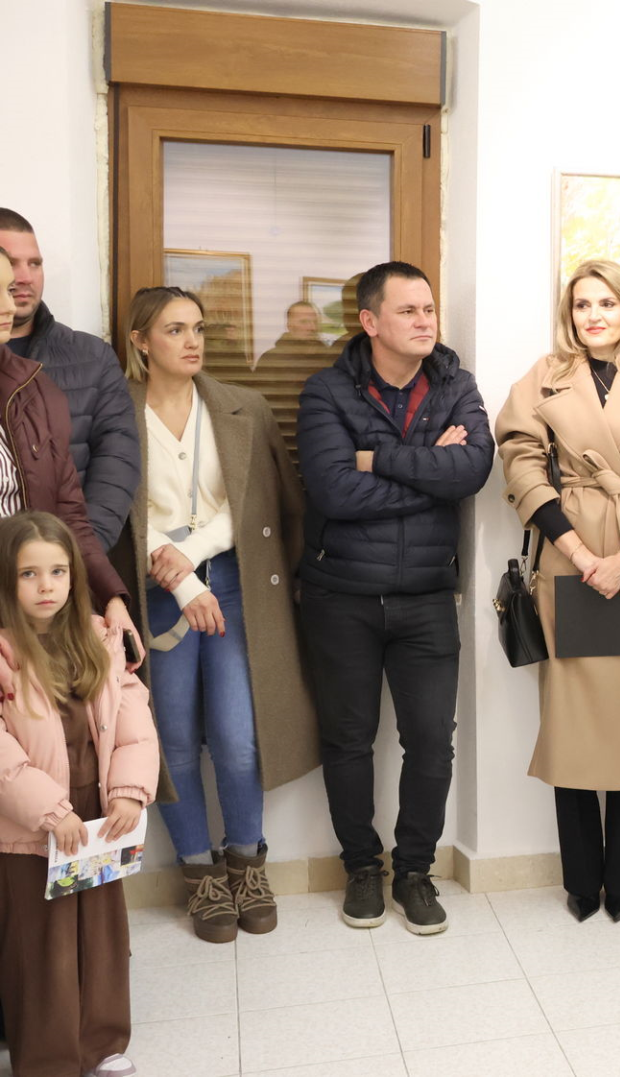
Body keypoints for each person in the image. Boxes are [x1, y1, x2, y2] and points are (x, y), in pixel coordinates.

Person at [496, 260, 620, 923]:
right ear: (570, 314)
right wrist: (582, 555)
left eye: (606, 303)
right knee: (574, 720)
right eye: (582, 304)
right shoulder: (543, 379)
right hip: (569, 557)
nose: (593, 316)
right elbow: (521, 463)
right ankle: (582, 880)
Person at [296, 260, 492, 935]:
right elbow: (332, 490)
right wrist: (429, 469)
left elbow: (472, 469)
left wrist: (376, 458)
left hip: (428, 596)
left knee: (432, 743)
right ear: (370, 321)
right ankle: (361, 867)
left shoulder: (456, 385)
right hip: (341, 595)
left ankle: (414, 871)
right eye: (408, 310)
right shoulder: (327, 390)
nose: (424, 321)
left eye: (428, 308)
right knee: (348, 741)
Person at [122, 286, 316, 944]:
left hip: (233, 581)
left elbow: (256, 502)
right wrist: (177, 576)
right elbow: (117, 510)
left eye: (198, 328)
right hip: (152, 587)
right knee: (172, 739)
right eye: (174, 329)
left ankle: (246, 864)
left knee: (237, 737)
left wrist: (193, 555)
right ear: (141, 340)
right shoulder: (116, 410)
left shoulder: (243, 405)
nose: (192, 341)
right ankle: (200, 874)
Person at [0, 511, 159, 1077]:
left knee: (102, 934)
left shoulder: (99, 639)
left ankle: (102, 1045)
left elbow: (134, 722)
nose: (46, 586)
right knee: (43, 946)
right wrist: (49, 811)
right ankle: (48, 1061)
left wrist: (129, 793)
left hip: (97, 820)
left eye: (58, 572)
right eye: (29, 574)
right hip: (32, 828)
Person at [0, 252, 137, 643]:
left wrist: (111, 597)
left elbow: (69, 514)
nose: (9, 305)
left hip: (35, 620)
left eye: (8, 290)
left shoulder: (35, 389)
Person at [0, 209, 142, 549]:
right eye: (12, 263)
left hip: (69, 561)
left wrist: (77, 557)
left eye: (35, 263)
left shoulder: (92, 356)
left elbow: (117, 460)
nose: (25, 277)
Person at [258, 300, 336, 368]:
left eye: (316, 322)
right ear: (289, 326)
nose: (313, 328)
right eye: (304, 322)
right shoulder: (271, 359)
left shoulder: (329, 357)